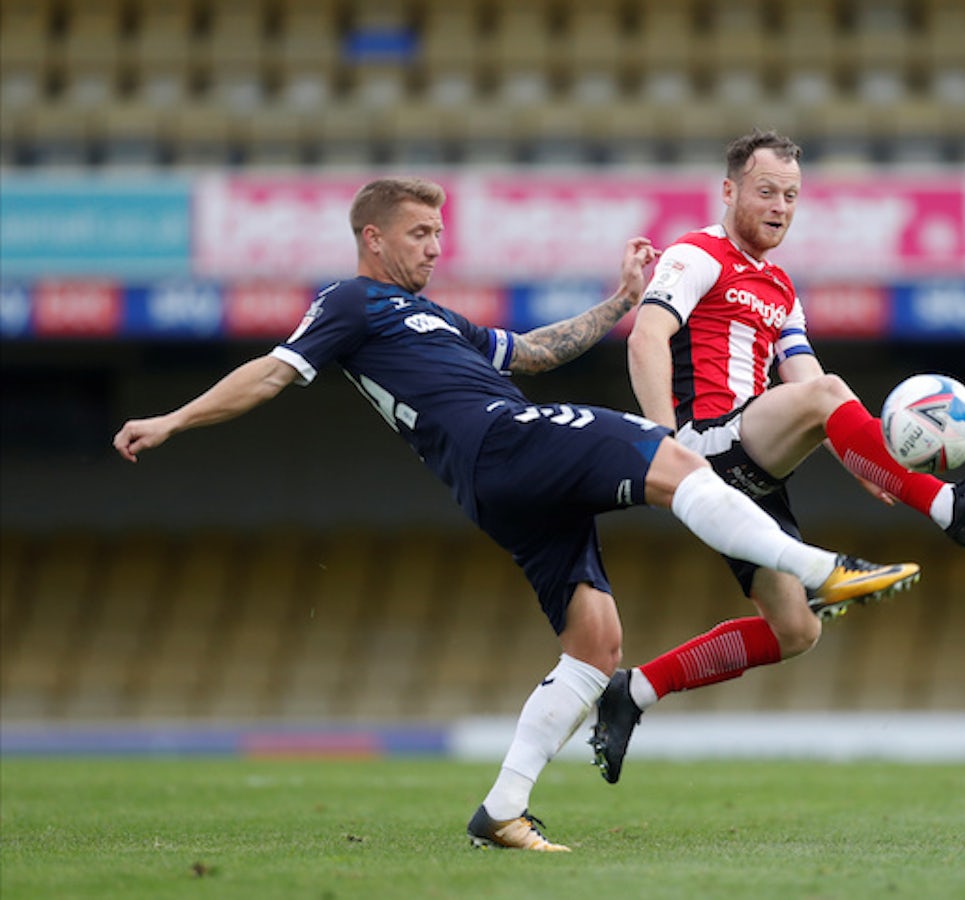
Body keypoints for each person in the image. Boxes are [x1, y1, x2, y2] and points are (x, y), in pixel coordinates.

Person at [113, 176, 919, 852]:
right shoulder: (352, 303)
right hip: (500, 443)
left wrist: (618, 303)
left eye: (439, 232)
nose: (435, 246)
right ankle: (822, 571)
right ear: (372, 238)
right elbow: (272, 372)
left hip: (499, 482)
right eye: (420, 233)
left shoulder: (435, 319)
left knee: (597, 643)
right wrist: (174, 420)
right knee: (666, 452)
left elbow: (530, 353)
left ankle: (501, 809)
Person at [589, 130, 965, 784]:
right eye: (766, 191)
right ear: (730, 190)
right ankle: (947, 506)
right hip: (706, 441)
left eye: (791, 195)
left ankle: (635, 692)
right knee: (827, 396)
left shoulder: (782, 288)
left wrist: (877, 459)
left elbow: (809, 381)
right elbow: (647, 337)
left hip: (750, 463)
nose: (781, 206)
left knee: (795, 630)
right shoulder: (698, 252)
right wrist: (666, 442)